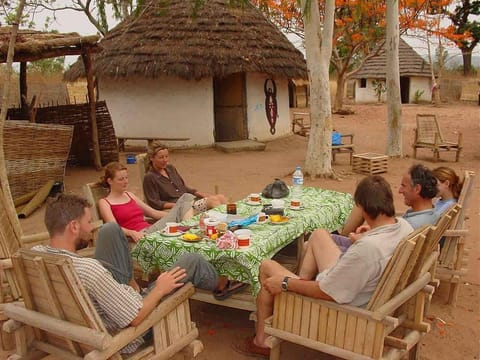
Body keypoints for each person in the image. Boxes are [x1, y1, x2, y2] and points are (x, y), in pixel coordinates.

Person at [33, 194, 247, 354]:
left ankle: (132, 285)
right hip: (126, 334)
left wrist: (127, 286)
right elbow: (134, 318)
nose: (91, 229)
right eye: (88, 222)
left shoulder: (35, 255)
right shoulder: (90, 270)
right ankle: (221, 283)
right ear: (73, 227)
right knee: (191, 261)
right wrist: (160, 288)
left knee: (110, 230)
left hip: (83, 321)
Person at [233, 175, 413, 357]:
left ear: (363, 209)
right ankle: (295, 303)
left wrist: (286, 283)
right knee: (319, 234)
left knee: (266, 266)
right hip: (351, 283)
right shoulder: (404, 227)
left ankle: (261, 341)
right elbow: (374, 249)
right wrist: (371, 232)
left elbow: (326, 292)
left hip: (343, 307)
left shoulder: (368, 249)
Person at [98, 162, 194, 243]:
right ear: (110, 181)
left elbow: (153, 213)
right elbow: (114, 228)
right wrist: (131, 233)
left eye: (126, 178)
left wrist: (174, 215)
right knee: (186, 198)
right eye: (121, 179)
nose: (126, 182)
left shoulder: (129, 195)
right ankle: (189, 230)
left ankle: (187, 228)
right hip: (140, 235)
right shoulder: (105, 202)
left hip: (151, 229)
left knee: (186, 200)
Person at [339, 163, 439, 240]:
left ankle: (342, 236)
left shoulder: (413, 224)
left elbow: (385, 244)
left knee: (363, 202)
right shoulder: (428, 214)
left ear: (417, 189)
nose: (400, 191)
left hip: (376, 258)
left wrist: (362, 237)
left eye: (403, 186)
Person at [143, 142, 227, 213]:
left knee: (220, 197)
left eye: (166, 156)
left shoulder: (170, 168)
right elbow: (155, 203)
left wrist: (201, 194)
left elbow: (183, 187)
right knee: (212, 201)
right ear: (151, 158)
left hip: (189, 200)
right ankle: (226, 223)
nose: (165, 160)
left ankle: (234, 219)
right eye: (161, 157)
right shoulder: (150, 177)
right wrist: (177, 205)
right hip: (177, 208)